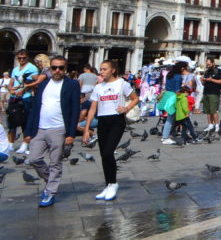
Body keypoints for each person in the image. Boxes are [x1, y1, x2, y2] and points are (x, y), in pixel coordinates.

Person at [25, 55, 80, 207]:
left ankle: (50, 192)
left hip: (59, 128)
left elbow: (75, 110)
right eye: (54, 67)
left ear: (65, 69)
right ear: (50, 68)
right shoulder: (43, 84)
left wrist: (71, 134)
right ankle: (51, 181)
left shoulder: (72, 84)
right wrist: (28, 131)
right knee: (34, 159)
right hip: (40, 128)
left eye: (61, 68)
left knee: (55, 162)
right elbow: (35, 108)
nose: (57, 70)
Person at [82, 59, 138, 202]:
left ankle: (113, 184)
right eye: (100, 69)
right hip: (102, 121)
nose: (101, 72)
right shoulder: (98, 87)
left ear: (112, 70)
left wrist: (126, 108)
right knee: (103, 155)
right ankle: (108, 185)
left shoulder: (122, 84)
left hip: (116, 121)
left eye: (104, 69)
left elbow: (135, 98)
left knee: (108, 152)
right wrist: (86, 129)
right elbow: (92, 108)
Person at [11, 49, 43, 153]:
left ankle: (26, 143)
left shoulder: (32, 68)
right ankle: (10, 144)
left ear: (27, 58)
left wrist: (25, 88)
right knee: (12, 120)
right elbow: (12, 82)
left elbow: (37, 82)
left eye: (23, 58)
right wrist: (10, 88)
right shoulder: (15, 69)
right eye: (19, 58)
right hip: (14, 97)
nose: (21, 59)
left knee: (26, 121)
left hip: (26, 97)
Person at [201, 58, 221, 132]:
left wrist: (212, 80)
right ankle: (210, 125)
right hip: (206, 92)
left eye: (209, 64)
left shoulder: (219, 71)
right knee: (208, 111)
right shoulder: (206, 71)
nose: (208, 65)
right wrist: (202, 81)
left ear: (213, 63)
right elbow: (204, 83)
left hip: (214, 93)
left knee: (214, 110)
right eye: (207, 64)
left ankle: (217, 125)